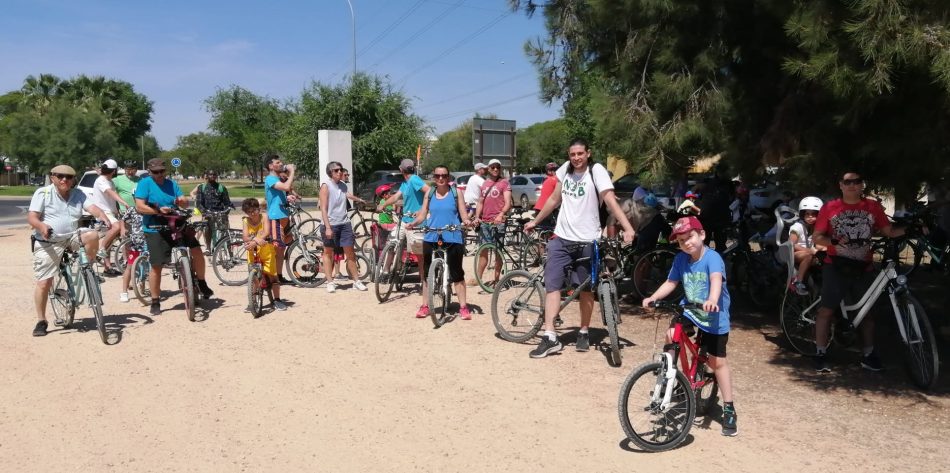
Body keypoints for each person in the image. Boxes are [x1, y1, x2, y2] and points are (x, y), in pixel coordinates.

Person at [524, 138, 636, 356]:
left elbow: (611, 200)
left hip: (588, 240)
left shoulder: (597, 171)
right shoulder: (565, 170)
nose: (576, 158)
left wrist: (628, 227)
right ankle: (550, 336)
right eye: (572, 154)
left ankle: (584, 330)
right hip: (562, 238)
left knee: (585, 289)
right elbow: (554, 199)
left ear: (588, 153)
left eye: (580, 154)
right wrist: (536, 221)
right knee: (553, 284)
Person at [641, 216, 738, 437]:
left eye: (690, 237)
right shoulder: (680, 260)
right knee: (671, 334)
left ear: (701, 234)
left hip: (714, 317)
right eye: (681, 240)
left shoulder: (712, 258)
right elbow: (671, 282)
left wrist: (713, 299)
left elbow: (715, 280)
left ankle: (730, 408)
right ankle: (671, 378)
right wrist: (653, 297)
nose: (687, 243)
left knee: (717, 362)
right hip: (691, 311)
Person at [811, 171, 903, 373]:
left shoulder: (872, 207)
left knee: (867, 313)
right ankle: (820, 352)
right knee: (826, 310)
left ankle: (868, 354)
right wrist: (833, 242)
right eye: (848, 182)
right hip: (835, 265)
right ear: (841, 185)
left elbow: (888, 231)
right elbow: (817, 237)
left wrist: (912, 229)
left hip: (864, 266)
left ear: (862, 185)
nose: (852, 185)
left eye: (857, 181)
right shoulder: (830, 208)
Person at [28, 165, 113, 337]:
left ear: (74, 179)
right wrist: (41, 226)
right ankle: (41, 320)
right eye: (60, 176)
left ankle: (88, 268)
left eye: (68, 177)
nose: (64, 180)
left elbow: (92, 208)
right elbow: (32, 217)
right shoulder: (43, 193)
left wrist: (103, 216)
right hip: (48, 240)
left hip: (71, 236)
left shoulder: (78, 194)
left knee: (92, 235)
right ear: (52, 177)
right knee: (44, 282)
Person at [134, 158, 214, 316]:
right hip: (155, 227)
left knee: (196, 249)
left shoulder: (171, 184)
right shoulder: (145, 184)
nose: (159, 175)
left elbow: (182, 202)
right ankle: (155, 300)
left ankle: (201, 281)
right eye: (155, 172)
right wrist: (157, 211)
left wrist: (182, 201)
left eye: (162, 171)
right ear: (150, 172)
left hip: (175, 222)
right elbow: (140, 206)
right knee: (157, 264)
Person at [407, 165, 474, 319]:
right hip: (431, 236)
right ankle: (425, 305)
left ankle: (463, 307)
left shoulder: (456, 193)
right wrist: (414, 223)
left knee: (457, 273)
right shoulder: (429, 194)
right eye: (437, 176)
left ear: (449, 177)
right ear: (434, 178)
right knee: (427, 275)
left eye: (444, 175)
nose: (441, 178)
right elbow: (423, 215)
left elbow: (463, 215)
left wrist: (467, 222)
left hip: (452, 236)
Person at [377, 158, 430, 316]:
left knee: (420, 257)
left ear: (401, 170)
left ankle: (424, 283)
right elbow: (396, 197)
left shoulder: (414, 179)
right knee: (392, 241)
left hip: (416, 222)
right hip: (404, 220)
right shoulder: (405, 183)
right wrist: (384, 204)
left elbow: (428, 190)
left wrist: (422, 209)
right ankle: (387, 269)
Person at [319, 161, 368, 293]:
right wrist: (328, 228)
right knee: (328, 253)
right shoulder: (326, 186)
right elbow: (323, 209)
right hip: (330, 224)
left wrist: (359, 199)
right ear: (330, 173)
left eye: (340, 169)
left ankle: (356, 281)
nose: (339, 172)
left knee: (350, 253)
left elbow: (347, 195)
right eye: (336, 170)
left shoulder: (342, 185)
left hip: (344, 223)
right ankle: (330, 282)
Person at [241, 197, 287, 311]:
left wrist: (255, 240)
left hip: (266, 250)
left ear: (259, 209)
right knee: (254, 277)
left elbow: (266, 232)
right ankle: (253, 300)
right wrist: (254, 241)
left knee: (273, 275)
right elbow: (245, 236)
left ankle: (277, 299)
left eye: (254, 210)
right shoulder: (246, 221)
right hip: (253, 251)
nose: (252, 214)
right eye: (249, 212)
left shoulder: (264, 217)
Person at [473, 158, 512, 288]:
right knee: (483, 251)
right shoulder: (484, 184)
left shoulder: (504, 183)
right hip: (484, 222)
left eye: (498, 167)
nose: (495, 169)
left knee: (497, 251)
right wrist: (477, 217)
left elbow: (508, 203)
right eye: (493, 167)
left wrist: (501, 214)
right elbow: (480, 202)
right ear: (488, 169)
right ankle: (478, 278)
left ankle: (497, 280)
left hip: (498, 222)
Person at [91, 158, 127, 276]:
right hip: (103, 213)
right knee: (116, 227)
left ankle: (107, 268)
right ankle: (101, 249)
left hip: (110, 212)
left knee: (111, 240)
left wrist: (118, 211)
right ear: (114, 171)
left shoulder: (109, 181)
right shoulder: (101, 180)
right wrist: (124, 202)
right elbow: (110, 193)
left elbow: (110, 200)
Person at [264, 155, 296, 283]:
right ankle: (272, 277)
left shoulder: (277, 179)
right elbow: (287, 187)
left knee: (281, 248)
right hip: (275, 216)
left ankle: (279, 275)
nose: (281, 163)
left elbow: (280, 194)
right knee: (277, 248)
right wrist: (292, 171)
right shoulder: (270, 179)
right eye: (278, 162)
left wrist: (288, 198)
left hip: (283, 215)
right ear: (271, 166)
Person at [788, 197, 825, 295]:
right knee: (809, 256)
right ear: (802, 214)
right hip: (794, 254)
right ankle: (798, 282)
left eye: (814, 214)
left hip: (810, 252)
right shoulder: (798, 227)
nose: (810, 217)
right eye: (807, 214)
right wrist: (809, 251)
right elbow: (791, 244)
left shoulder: (816, 227)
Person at [194, 169, 233, 253]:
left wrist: (227, 210)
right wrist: (204, 212)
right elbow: (199, 203)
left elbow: (227, 202)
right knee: (207, 228)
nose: (212, 176)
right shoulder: (202, 188)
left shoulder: (221, 188)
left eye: (214, 174)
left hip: (220, 212)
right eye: (210, 174)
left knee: (225, 230)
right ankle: (208, 247)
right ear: (207, 176)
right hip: (208, 213)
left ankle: (229, 250)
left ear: (216, 176)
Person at [533, 162, 559, 228]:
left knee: (543, 231)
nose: (557, 171)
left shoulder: (546, 179)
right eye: (555, 170)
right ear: (549, 171)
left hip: (539, 208)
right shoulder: (556, 180)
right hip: (547, 209)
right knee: (552, 231)